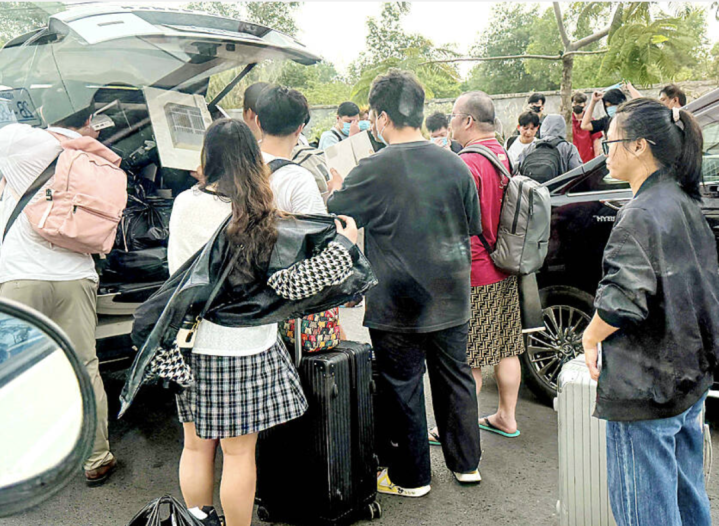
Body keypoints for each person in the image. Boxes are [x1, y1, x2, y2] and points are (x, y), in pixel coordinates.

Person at [169, 118, 361, 526]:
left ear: (208, 157)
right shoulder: (257, 214)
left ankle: (199, 522)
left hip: (188, 344)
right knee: (238, 453)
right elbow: (291, 285)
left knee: (196, 446)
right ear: (252, 158)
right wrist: (344, 247)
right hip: (244, 347)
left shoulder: (184, 202)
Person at [327, 69, 483, 495]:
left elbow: (339, 215)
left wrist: (337, 187)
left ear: (381, 117)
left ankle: (410, 478)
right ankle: (466, 464)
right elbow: (471, 226)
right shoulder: (455, 163)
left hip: (396, 301)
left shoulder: (371, 168)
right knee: (456, 380)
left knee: (402, 387)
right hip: (451, 294)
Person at [582, 98, 719, 526]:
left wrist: (590, 335)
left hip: (646, 386)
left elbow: (623, 297)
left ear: (639, 145)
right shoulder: (682, 199)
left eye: (610, 141)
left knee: (646, 513)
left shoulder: (639, 214)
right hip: (687, 377)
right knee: (687, 498)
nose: (605, 150)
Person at [0, 87, 117, 486]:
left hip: (21, 278)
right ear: (88, 119)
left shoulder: (21, 141)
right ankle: (96, 457)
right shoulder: (97, 156)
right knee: (84, 367)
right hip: (76, 276)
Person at [443, 91, 525, 441]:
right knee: (506, 347)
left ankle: (453, 430)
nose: (449, 123)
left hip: (475, 271)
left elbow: (453, 223)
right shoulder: (502, 153)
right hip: (503, 263)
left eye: (452, 115)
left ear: (468, 121)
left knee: (469, 359)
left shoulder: (467, 163)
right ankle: (506, 416)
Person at [255, 86, 328, 214]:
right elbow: (312, 225)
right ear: (300, 128)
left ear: (258, 122)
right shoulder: (299, 180)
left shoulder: (239, 165)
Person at [516, 115, 583, 182]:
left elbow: (516, 173)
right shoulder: (568, 148)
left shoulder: (530, 147)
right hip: (557, 188)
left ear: (543, 127)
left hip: (532, 188)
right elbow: (578, 174)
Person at [571, 92, 603, 163]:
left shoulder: (590, 121)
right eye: (575, 103)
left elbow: (596, 142)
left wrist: (596, 160)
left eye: (580, 103)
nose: (577, 105)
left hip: (588, 162)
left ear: (585, 104)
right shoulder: (568, 123)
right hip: (572, 162)